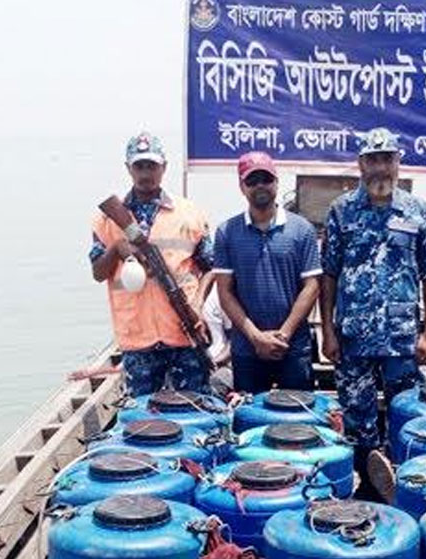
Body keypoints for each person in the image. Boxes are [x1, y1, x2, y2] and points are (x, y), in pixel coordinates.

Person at [320, 128, 426, 499]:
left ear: (397, 162)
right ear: (361, 164)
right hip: (353, 338)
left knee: (407, 414)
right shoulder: (341, 210)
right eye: (372, 160)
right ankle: (369, 490)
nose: (380, 167)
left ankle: (405, 488)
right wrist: (327, 332)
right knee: (357, 419)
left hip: (402, 337)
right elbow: (329, 274)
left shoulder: (418, 210)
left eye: (387, 159)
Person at [89, 132, 214, 395]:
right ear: (128, 168)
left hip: (183, 332)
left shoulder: (189, 213)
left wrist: (198, 306)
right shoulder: (106, 219)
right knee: (142, 415)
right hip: (137, 339)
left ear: (164, 167)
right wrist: (117, 249)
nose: (146, 173)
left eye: (152, 166)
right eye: (139, 166)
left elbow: (210, 267)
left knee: (194, 409)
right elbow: (98, 273)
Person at [214, 152, 322, 393]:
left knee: (299, 415)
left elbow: (312, 286)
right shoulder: (226, 232)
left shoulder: (302, 229)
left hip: (293, 347)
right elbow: (225, 292)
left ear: (276, 182)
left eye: (266, 179)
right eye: (252, 181)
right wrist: (256, 337)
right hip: (247, 348)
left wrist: (284, 335)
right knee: (249, 413)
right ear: (242, 186)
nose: (260, 185)